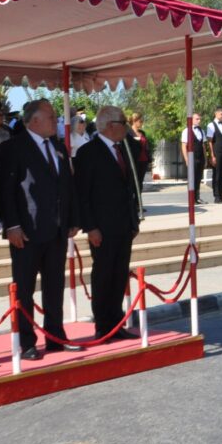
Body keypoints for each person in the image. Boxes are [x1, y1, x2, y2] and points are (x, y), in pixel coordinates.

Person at [0, 99, 82, 358]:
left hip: (56, 229)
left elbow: (67, 185)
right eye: (51, 117)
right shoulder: (13, 147)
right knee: (24, 288)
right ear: (34, 121)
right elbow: (5, 190)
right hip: (27, 230)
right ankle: (27, 342)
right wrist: (11, 225)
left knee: (54, 287)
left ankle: (55, 336)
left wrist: (73, 218)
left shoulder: (57, 147)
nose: (56, 121)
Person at [76, 106, 142, 342]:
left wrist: (134, 220)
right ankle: (103, 324)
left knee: (119, 274)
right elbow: (83, 194)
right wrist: (90, 226)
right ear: (109, 125)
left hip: (124, 224)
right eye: (122, 122)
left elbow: (131, 187)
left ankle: (117, 322)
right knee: (103, 274)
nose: (125, 126)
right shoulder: (88, 152)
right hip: (102, 227)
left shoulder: (124, 148)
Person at [180, 112, 207, 205]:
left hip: (201, 157)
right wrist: (187, 159)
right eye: (197, 119)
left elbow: (203, 145)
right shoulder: (186, 131)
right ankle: (191, 199)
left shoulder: (201, 131)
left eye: (200, 119)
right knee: (192, 179)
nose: (199, 121)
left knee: (199, 178)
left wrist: (206, 158)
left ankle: (197, 197)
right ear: (192, 120)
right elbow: (184, 146)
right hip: (192, 158)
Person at [205, 107, 222, 203]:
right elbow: (210, 142)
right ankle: (216, 196)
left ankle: (221, 195)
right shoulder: (211, 125)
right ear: (216, 114)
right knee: (217, 174)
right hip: (217, 153)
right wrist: (212, 155)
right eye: (221, 114)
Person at [128, 113, 152, 181]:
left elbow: (146, 147)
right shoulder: (128, 133)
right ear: (134, 121)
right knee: (134, 181)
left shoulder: (142, 133)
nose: (142, 123)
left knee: (140, 181)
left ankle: (139, 192)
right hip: (134, 161)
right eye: (140, 121)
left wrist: (149, 159)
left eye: (142, 121)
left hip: (144, 161)